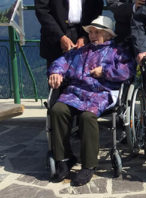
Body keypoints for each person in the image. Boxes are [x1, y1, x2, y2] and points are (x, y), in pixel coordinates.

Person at [48, 16, 134, 186]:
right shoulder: (81, 51)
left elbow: (127, 71)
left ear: (108, 35)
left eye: (98, 32)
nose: (93, 35)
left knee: (87, 117)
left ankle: (88, 165)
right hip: (76, 92)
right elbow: (62, 61)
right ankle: (64, 159)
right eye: (91, 32)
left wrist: (105, 71)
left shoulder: (117, 51)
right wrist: (56, 72)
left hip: (101, 93)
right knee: (57, 110)